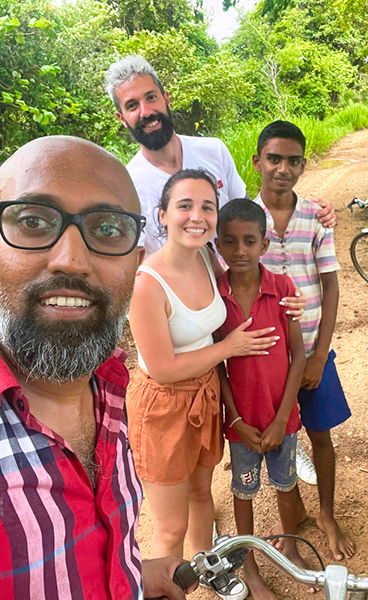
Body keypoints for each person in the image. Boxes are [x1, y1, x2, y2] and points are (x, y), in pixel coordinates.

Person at [0, 136, 190, 599]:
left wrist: (128, 574)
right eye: (33, 222)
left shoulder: (108, 384)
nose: (71, 259)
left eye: (108, 229)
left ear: (135, 262)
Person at [126, 169, 305, 599]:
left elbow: (254, 271)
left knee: (201, 494)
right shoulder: (146, 283)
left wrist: (291, 300)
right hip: (165, 405)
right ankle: (169, 591)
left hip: (206, 395)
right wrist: (233, 348)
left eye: (207, 205)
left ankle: (209, 573)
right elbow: (165, 367)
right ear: (162, 215)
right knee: (169, 526)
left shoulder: (209, 261)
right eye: (184, 205)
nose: (197, 215)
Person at [104, 55, 337, 257]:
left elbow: (248, 214)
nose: (146, 111)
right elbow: (137, 264)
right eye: (132, 105)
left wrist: (304, 209)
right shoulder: (127, 186)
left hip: (236, 296)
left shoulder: (213, 151)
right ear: (121, 118)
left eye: (151, 97)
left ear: (166, 99)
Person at [252, 121, 355, 561]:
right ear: (257, 161)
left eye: (293, 160)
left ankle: (327, 513)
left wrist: (317, 355)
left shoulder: (315, 216)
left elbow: (330, 287)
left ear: (303, 164)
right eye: (274, 158)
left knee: (320, 436)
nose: (283, 168)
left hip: (313, 350)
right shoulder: (244, 218)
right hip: (266, 358)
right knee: (280, 438)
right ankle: (290, 521)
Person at [214, 199, 308, 600]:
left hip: (280, 420)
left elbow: (298, 354)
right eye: (231, 242)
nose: (240, 251)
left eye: (249, 241)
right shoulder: (214, 296)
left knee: (286, 487)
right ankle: (248, 562)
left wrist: (281, 417)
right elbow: (217, 365)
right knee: (243, 492)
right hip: (242, 428)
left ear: (264, 245)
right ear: (218, 245)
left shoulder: (283, 288)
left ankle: (290, 546)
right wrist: (235, 421)